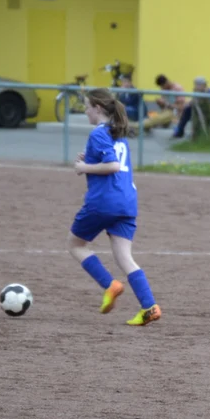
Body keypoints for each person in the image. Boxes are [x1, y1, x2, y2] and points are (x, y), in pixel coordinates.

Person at [68, 88, 162, 327]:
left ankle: (110, 285)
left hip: (104, 201)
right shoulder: (118, 134)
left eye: (87, 106)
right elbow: (114, 162)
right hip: (127, 202)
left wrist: (83, 167)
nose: (86, 111)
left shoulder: (98, 133)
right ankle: (149, 306)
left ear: (98, 109)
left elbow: (111, 166)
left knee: (76, 245)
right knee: (125, 257)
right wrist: (89, 159)